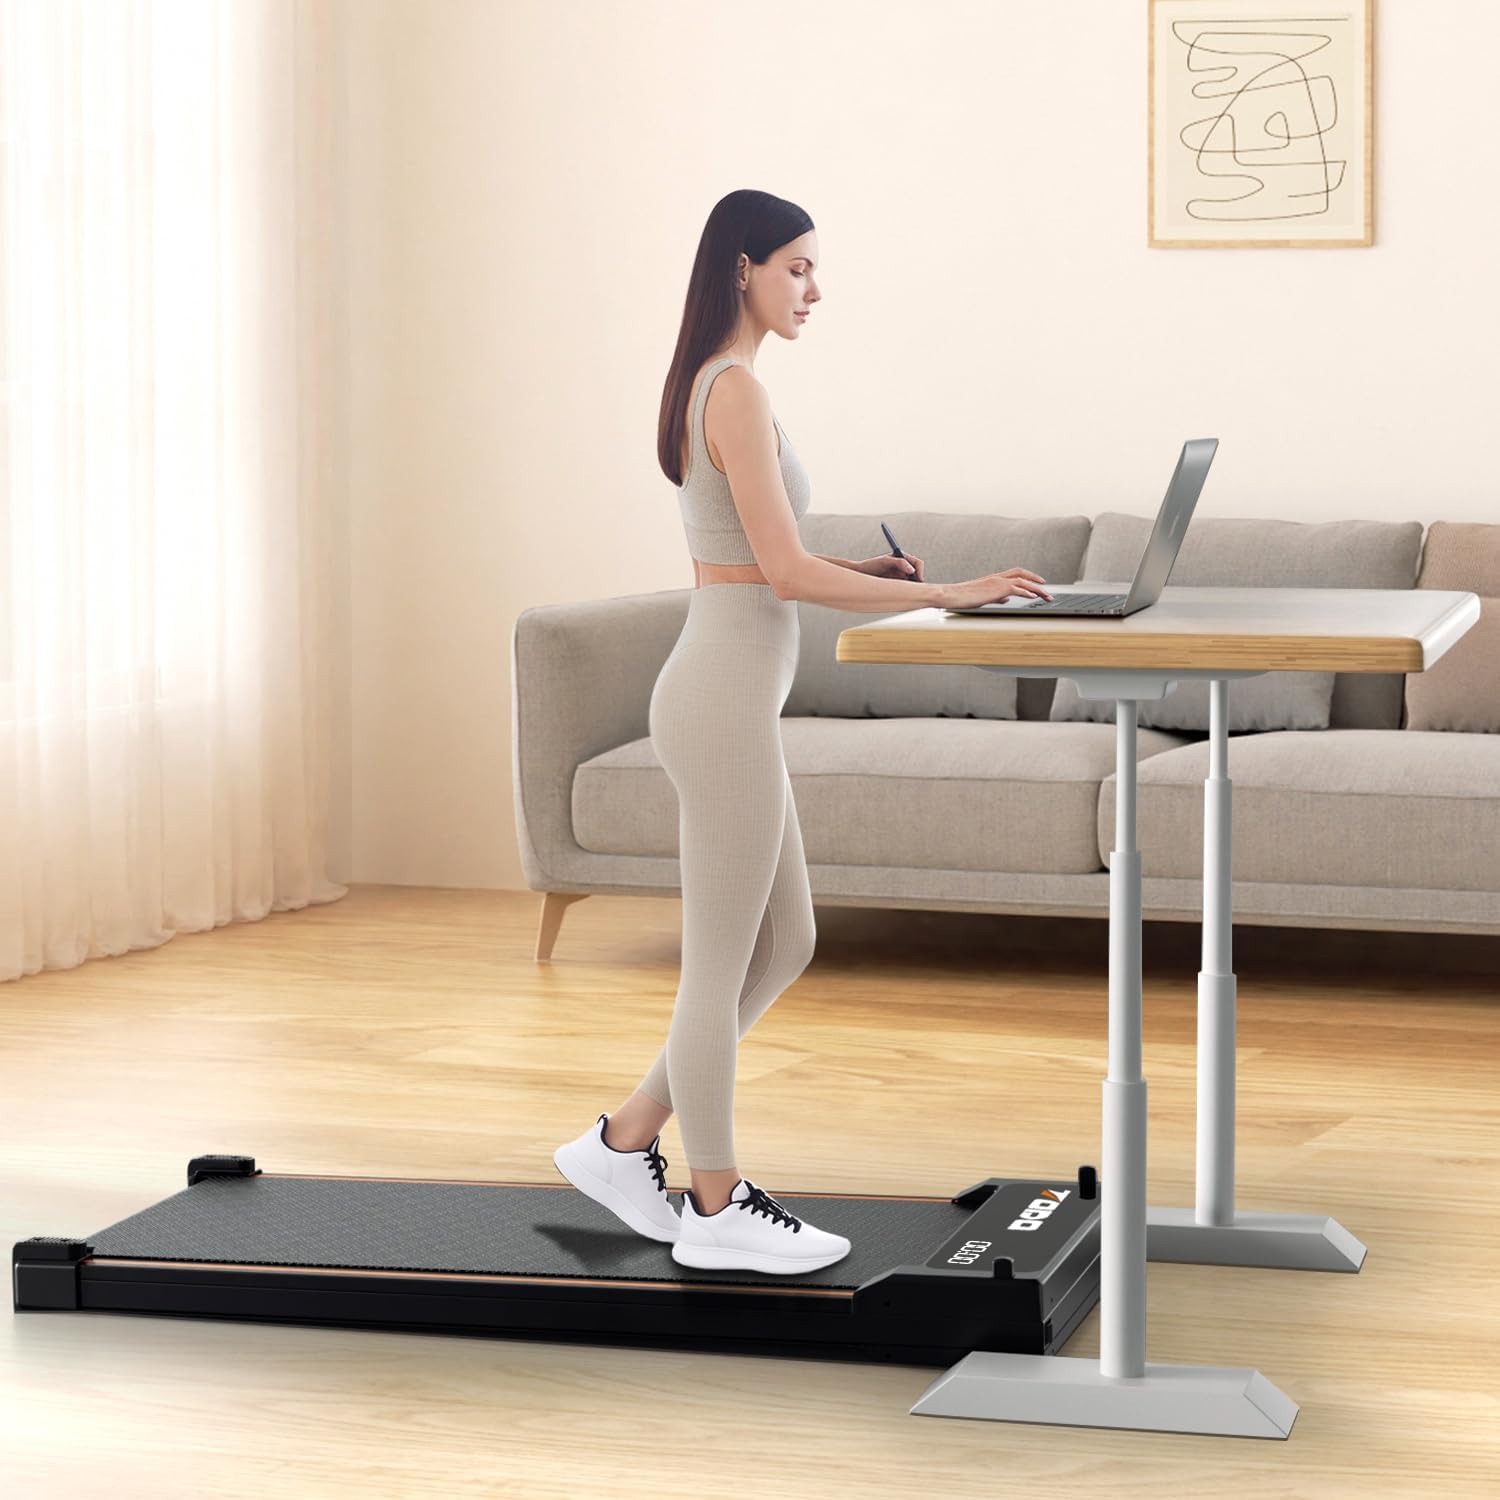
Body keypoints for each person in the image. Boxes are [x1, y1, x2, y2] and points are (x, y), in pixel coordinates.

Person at [553, 190, 1051, 1274]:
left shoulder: (730, 387)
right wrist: (953, 593)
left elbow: (760, 558)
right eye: (798, 268)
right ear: (742, 269)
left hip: (729, 693)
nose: (814, 290)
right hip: (718, 701)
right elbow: (778, 574)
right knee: (719, 960)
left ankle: (624, 1140)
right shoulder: (730, 391)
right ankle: (715, 1201)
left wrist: (871, 573)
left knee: (785, 942)